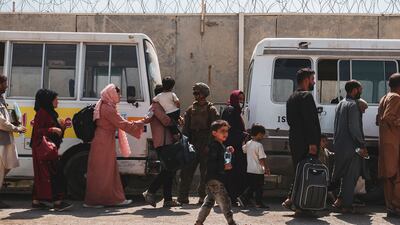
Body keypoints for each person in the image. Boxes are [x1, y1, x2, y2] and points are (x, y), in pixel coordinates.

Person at [84, 84, 144, 208]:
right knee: (105, 171)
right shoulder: (108, 108)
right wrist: (139, 125)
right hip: (104, 142)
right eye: (118, 94)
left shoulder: (104, 105)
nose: (120, 96)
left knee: (102, 171)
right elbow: (121, 123)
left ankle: (98, 200)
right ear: (111, 94)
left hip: (102, 140)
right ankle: (109, 199)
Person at [282, 68, 321, 213]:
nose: (314, 82)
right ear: (306, 80)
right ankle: (302, 203)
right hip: (306, 142)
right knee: (307, 172)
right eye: (312, 79)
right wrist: (312, 143)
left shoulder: (291, 97)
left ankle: (292, 199)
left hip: (295, 139)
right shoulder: (306, 96)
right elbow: (310, 122)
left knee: (299, 170)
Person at [178, 82, 219, 205]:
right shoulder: (191, 109)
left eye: (197, 92)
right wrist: (185, 143)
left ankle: (203, 197)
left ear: (204, 94)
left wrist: (210, 145)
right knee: (186, 171)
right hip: (193, 142)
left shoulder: (211, 109)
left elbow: (214, 129)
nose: (195, 95)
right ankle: (182, 197)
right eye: (194, 92)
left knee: (205, 172)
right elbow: (186, 129)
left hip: (206, 142)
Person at [332, 80, 370, 213]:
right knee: (350, 176)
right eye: (360, 89)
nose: (361, 91)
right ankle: (346, 206)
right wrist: (362, 145)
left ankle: (340, 200)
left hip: (340, 145)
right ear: (354, 90)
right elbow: (354, 128)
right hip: (352, 147)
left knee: (345, 175)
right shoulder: (353, 105)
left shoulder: (340, 104)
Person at [31, 89, 72, 211]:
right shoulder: (42, 113)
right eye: (56, 99)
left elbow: (54, 131)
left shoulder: (50, 113)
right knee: (55, 174)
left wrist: (61, 127)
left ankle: (37, 201)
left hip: (47, 149)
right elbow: (38, 132)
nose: (58, 102)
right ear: (48, 101)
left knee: (43, 175)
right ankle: (58, 203)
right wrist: (52, 129)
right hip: (44, 149)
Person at [142, 85, 181, 208]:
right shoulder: (157, 106)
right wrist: (175, 123)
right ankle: (150, 191)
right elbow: (166, 121)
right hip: (163, 142)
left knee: (169, 169)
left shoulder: (158, 106)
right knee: (168, 170)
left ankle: (168, 199)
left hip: (165, 142)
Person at [195, 120, 237, 225]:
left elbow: (221, 156)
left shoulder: (219, 145)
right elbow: (212, 162)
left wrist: (228, 150)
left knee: (209, 202)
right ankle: (231, 222)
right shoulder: (214, 146)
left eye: (227, 131)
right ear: (214, 133)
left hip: (210, 179)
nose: (225, 133)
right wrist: (224, 166)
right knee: (225, 202)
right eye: (222, 131)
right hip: (216, 179)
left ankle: (199, 222)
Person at [0, 75, 26, 208]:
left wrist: (15, 122)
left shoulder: (2, 100)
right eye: (4, 83)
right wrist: (16, 128)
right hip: (1, 140)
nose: (6, 86)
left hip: (5, 139)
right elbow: (1, 122)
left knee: (7, 166)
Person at [377, 73, 400, 217]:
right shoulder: (396, 97)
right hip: (394, 143)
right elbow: (388, 117)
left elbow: (380, 118)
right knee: (397, 176)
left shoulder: (384, 97)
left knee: (389, 177)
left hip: (386, 143)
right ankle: (397, 207)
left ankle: (391, 207)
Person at [222, 90, 248, 207]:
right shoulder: (231, 111)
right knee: (233, 172)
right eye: (239, 99)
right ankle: (232, 198)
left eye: (242, 99)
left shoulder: (234, 111)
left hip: (235, 145)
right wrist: (243, 135)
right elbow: (229, 129)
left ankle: (233, 197)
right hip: (232, 146)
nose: (241, 102)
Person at [237, 124, 270, 209]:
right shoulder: (259, 145)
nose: (263, 137)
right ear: (258, 134)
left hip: (250, 169)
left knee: (252, 186)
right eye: (262, 135)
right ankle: (257, 202)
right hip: (258, 170)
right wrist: (265, 168)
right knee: (259, 187)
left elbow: (244, 150)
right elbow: (261, 158)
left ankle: (244, 198)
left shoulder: (248, 143)